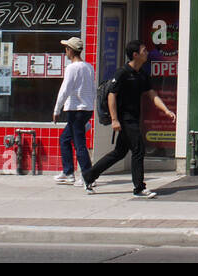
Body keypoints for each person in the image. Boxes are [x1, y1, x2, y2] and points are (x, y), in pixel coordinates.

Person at [85, 40, 175, 198]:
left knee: (119, 152)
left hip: (134, 117)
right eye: (144, 50)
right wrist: (114, 119)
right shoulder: (122, 73)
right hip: (125, 119)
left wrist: (166, 110)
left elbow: (152, 94)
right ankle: (139, 187)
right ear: (135, 55)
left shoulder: (142, 74)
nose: (147, 52)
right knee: (138, 149)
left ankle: (89, 175)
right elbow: (112, 95)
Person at [52, 36, 96, 185]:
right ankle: (68, 172)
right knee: (64, 139)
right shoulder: (89, 67)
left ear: (70, 50)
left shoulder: (72, 68)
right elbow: (92, 89)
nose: (66, 52)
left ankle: (87, 176)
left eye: (66, 49)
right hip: (86, 109)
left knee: (79, 144)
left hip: (75, 110)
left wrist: (57, 109)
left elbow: (64, 90)